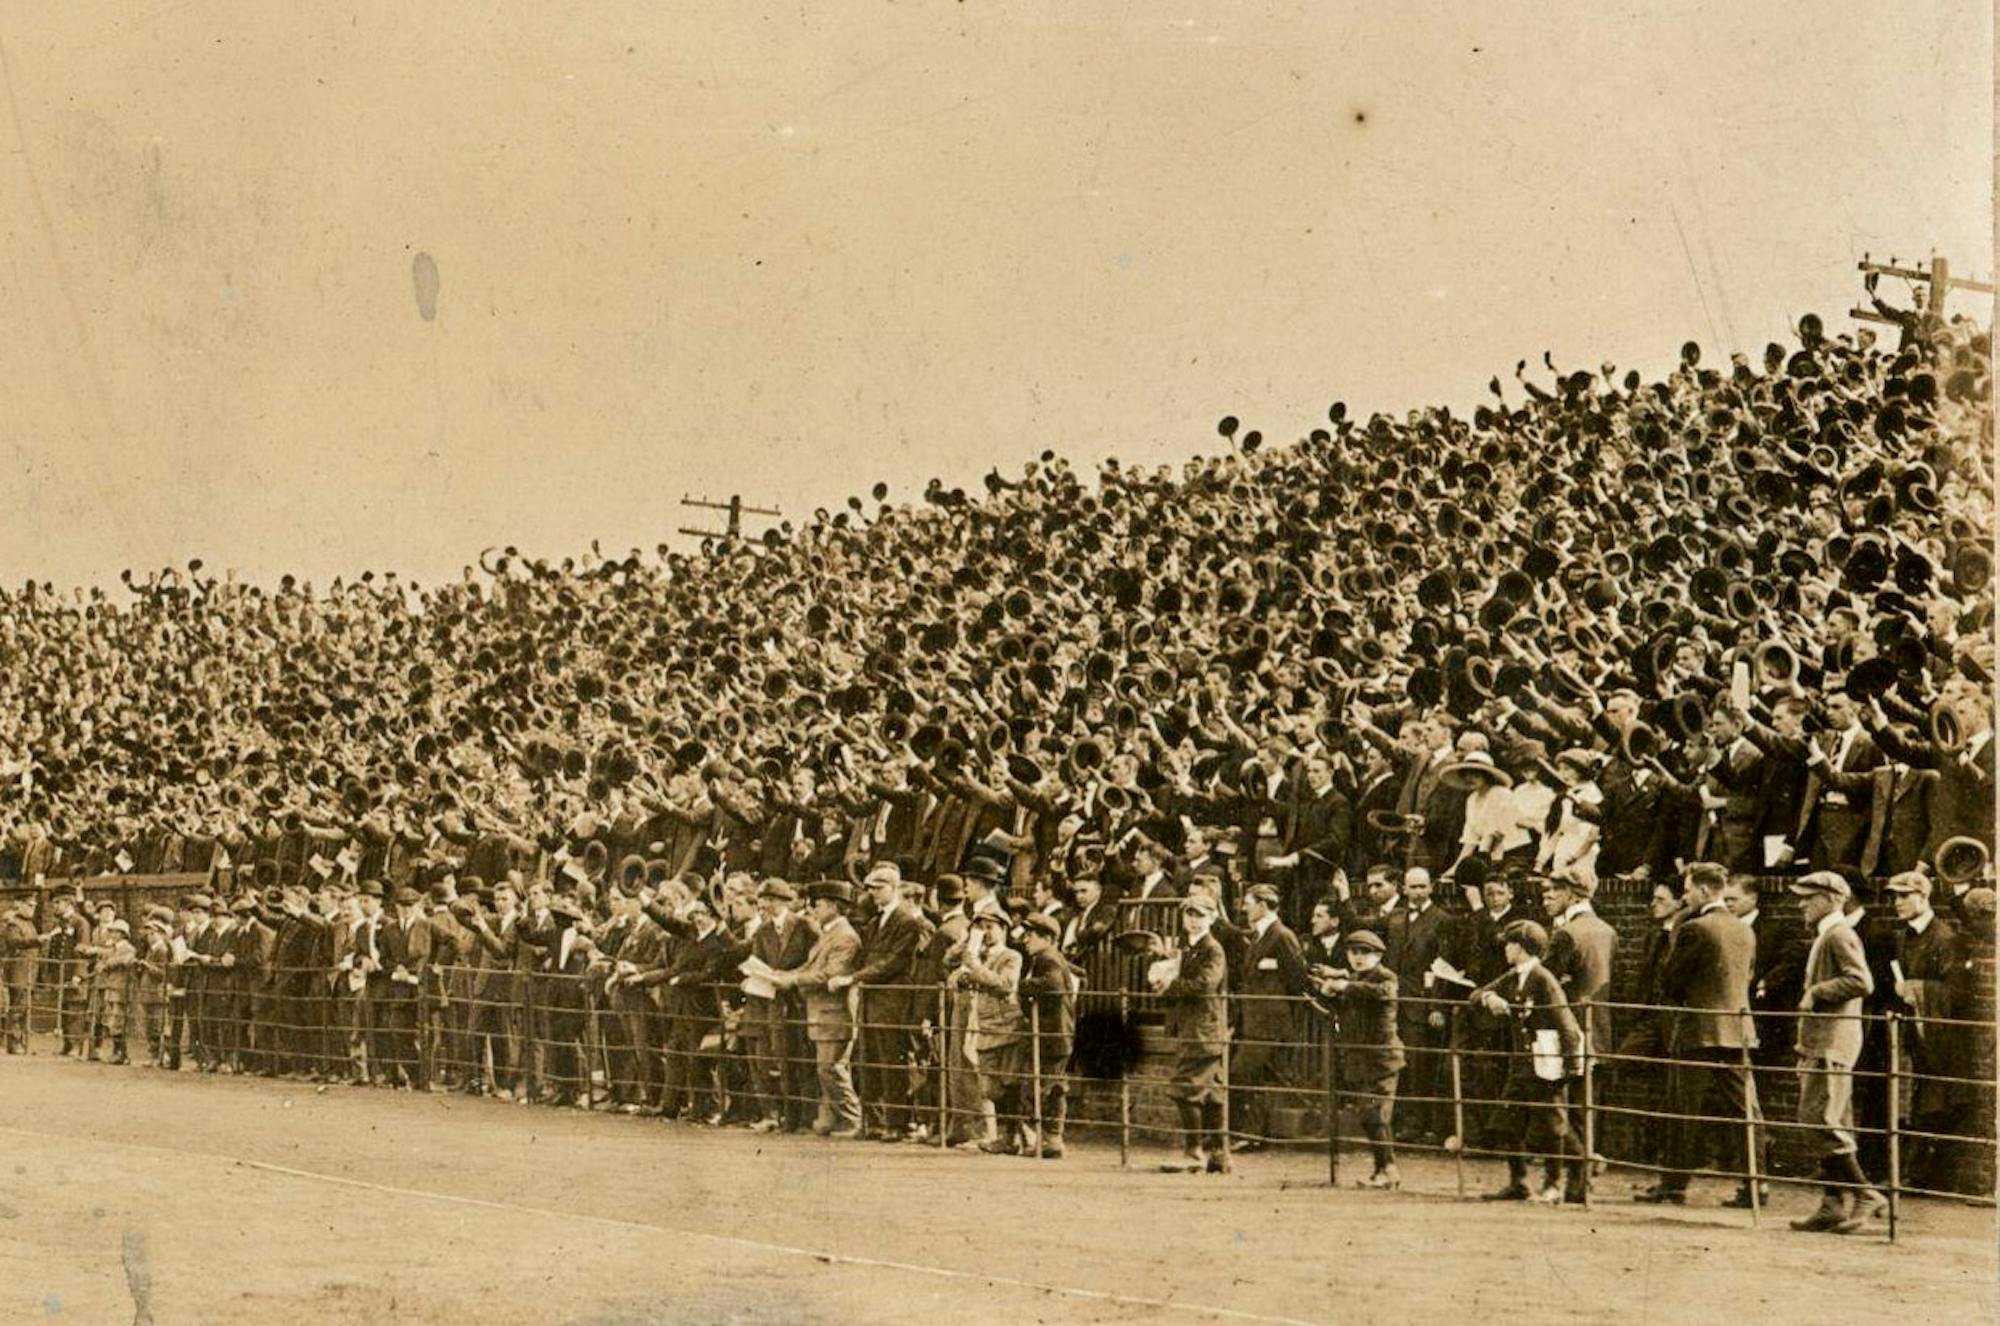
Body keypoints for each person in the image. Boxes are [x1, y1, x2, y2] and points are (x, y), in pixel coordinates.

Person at [1636, 863, 1761, 1206]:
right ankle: (1756, 1185)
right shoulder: (1744, 929)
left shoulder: (1694, 928)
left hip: (1698, 1030)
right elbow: (1746, 976)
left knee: (1682, 1110)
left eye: (1689, 890)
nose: (1686, 896)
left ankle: (1674, 1185)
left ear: (1705, 891)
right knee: (1745, 1110)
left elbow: (1671, 981)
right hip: (1736, 1029)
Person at [1787, 871, 1884, 1235]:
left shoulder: (1839, 934)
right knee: (1833, 1121)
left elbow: (1862, 981)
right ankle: (1831, 1204)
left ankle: (1864, 1194)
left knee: (1818, 1119)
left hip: (1832, 1041)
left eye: (1808, 897)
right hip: (1823, 1040)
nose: (1801, 904)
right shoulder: (1829, 934)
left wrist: (1818, 991)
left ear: (1829, 898)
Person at [1468, 918, 1585, 1205]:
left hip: (1545, 1063)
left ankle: (1558, 1181)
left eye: (1509, 944)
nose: (1505, 949)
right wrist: (1490, 998)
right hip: (1522, 1065)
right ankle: (1519, 1181)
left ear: (1520, 948)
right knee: (1507, 1121)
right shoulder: (1514, 977)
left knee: (1552, 1124)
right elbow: (1476, 993)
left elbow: (1565, 1022)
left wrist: (1571, 1064)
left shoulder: (1543, 979)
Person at [1884, 870, 1972, 1193]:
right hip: (1913, 1032)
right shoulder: (1902, 937)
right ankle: (1910, 1173)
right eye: (1895, 896)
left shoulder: (1945, 939)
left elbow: (1958, 993)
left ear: (1924, 896)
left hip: (1938, 1038)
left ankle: (1924, 1176)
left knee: (1934, 1100)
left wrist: (1916, 989)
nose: (1898, 903)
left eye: (1905, 896)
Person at [834, 863, 929, 1141]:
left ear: (894, 888)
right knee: (869, 1061)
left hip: (892, 1001)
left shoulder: (908, 921)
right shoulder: (877, 922)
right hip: (873, 1000)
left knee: (891, 1063)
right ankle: (873, 1122)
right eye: (871, 888)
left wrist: (853, 978)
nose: (873, 893)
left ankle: (896, 1124)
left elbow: (894, 962)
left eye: (879, 888)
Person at [766, 880, 863, 1137]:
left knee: (831, 1067)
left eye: (818, 904)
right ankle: (833, 1118)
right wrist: (784, 975)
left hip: (835, 1012)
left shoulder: (845, 936)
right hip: (821, 1012)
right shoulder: (830, 933)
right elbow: (811, 968)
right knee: (826, 1067)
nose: (813, 909)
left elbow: (830, 972)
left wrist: (791, 979)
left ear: (834, 906)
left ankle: (852, 1119)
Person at [1312, 929, 1404, 1189]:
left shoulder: (1385, 976)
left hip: (1382, 1060)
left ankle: (1388, 1169)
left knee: (1375, 1113)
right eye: (1354, 953)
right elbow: (1342, 1007)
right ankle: (1383, 1169)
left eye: (1365, 953)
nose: (1358, 958)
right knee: (1368, 1115)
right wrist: (1326, 993)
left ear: (1378, 955)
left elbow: (1383, 992)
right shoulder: (1355, 978)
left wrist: (1345, 985)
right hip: (1361, 1060)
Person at [1149, 891, 1229, 1174]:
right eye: (1189, 914)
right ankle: (1218, 1155)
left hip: (1203, 1029)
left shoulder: (1212, 949)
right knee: (1211, 1092)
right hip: (1192, 1027)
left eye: (1200, 915)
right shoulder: (1187, 948)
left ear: (1212, 917)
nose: (1193, 921)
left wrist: (1171, 985)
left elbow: (1206, 984)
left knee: (1185, 1087)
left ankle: (1194, 1153)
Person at [1227, 882, 1308, 1152]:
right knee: (1254, 1078)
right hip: (1255, 1022)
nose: (1243, 908)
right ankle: (1251, 1135)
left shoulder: (1281, 936)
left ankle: (1249, 1134)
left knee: (1242, 1074)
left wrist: (1283, 1013)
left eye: (1248, 903)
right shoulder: (1261, 935)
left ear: (1263, 905)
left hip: (1270, 1024)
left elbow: (1298, 977)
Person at [951, 900, 1030, 1153]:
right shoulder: (976, 955)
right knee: (988, 1086)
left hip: (1005, 1026)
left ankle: (1013, 1137)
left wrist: (973, 965)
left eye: (990, 927)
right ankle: (1010, 1136)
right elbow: (949, 963)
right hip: (981, 1025)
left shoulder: (1011, 956)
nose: (985, 932)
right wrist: (967, 943)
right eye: (981, 927)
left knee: (1007, 1084)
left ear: (1004, 929)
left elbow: (1004, 984)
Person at [1015, 913, 1078, 1158]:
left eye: (1031, 935)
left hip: (1053, 1034)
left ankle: (1051, 1140)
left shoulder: (1048, 958)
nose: (1026, 940)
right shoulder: (1048, 957)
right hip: (1055, 1032)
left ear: (1047, 939)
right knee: (1049, 1085)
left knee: (1049, 1086)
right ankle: (1048, 1138)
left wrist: (1021, 986)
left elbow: (1052, 985)